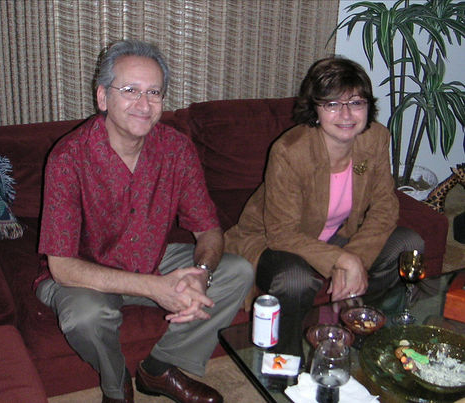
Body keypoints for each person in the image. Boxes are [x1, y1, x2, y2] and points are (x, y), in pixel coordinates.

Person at [35, 39, 253, 403]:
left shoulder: (177, 149)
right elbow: (62, 267)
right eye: (130, 91)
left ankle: (159, 369)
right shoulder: (68, 158)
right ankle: (116, 384)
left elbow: (208, 230)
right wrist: (154, 288)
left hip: (152, 258)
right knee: (85, 317)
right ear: (103, 97)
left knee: (237, 272)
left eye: (154, 92)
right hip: (85, 272)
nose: (144, 104)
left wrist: (201, 273)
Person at [224, 56, 424, 355]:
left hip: (336, 234)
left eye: (356, 102)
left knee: (408, 244)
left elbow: (385, 206)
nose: (346, 114)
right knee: (295, 280)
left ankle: (360, 334)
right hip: (273, 241)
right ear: (315, 110)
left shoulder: (375, 138)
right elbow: (281, 233)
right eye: (332, 104)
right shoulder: (290, 151)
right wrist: (342, 260)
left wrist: (354, 258)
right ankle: (284, 362)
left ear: (368, 106)